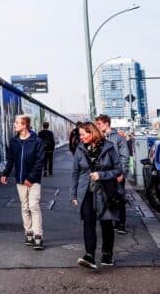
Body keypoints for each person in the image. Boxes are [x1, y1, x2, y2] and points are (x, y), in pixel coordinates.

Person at [71, 121, 123, 269]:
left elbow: (118, 170)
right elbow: (75, 173)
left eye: (83, 134)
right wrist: (73, 194)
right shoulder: (80, 149)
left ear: (91, 132)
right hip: (86, 190)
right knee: (88, 220)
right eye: (80, 135)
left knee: (106, 222)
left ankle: (107, 254)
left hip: (105, 190)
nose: (81, 137)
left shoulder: (109, 147)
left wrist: (101, 174)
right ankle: (90, 256)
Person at [0, 114, 46, 250]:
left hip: (34, 181)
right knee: (25, 207)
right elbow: (11, 159)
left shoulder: (36, 141)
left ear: (24, 125)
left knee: (34, 206)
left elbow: (40, 161)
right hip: (20, 180)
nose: (14, 124)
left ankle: (38, 236)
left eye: (17, 122)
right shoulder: (14, 141)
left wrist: (30, 178)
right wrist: (5, 173)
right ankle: (29, 233)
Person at [95, 114, 130, 234]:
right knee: (106, 198)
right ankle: (111, 221)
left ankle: (121, 224)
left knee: (119, 198)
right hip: (104, 175)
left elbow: (124, 157)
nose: (97, 126)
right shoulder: (99, 138)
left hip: (116, 173)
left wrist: (122, 173)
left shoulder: (118, 138)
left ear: (106, 123)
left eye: (99, 124)